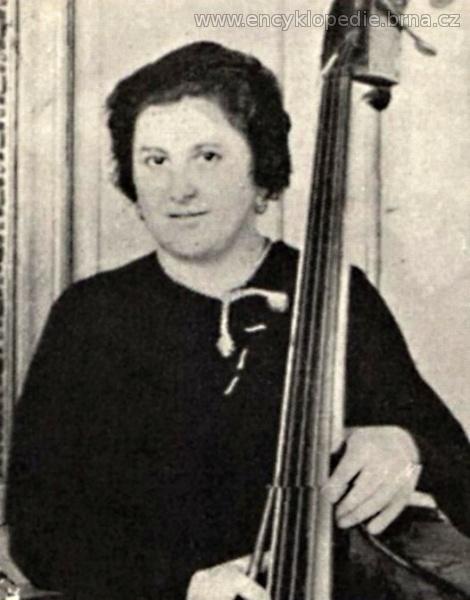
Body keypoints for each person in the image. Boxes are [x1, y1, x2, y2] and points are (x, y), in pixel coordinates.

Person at [6, 41, 470, 600]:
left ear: (262, 173)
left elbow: (459, 474)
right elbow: (38, 531)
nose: (179, 188)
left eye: (207, 156)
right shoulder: (90, 315)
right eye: (155, 160)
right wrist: (183, 586)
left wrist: (406, 446)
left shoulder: (333, 293)